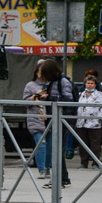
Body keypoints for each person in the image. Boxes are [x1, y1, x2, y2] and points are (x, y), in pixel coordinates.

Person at [37, 58, 73, 187]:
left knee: (57, 150)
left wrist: (50, 98)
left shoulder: (63, 82)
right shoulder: (53, 82)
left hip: (62, 119)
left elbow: (68, 99)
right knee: (56, 150)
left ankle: (60, 179)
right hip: (55, 118)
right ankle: (63, 178)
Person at [74, 71, 102, 168]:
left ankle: (95, 162)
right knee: (82, 143)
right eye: (88, 83)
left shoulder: (100, 95)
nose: (89, 85)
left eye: (92, 83)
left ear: (95, 84)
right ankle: (83, 162)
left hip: (95, 123)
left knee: (95, 144)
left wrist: (100, 119)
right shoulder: (80, 94)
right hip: (81, 122)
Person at [24, 64, 50, 178]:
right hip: (36, 118)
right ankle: (42, 169)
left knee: (50, 146)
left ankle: (48, 167)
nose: (41, 75)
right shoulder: (30, 85)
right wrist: (36, 96)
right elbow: (25, 101)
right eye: (40, 72)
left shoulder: (51, 84)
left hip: (50, 118)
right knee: (41, 144)